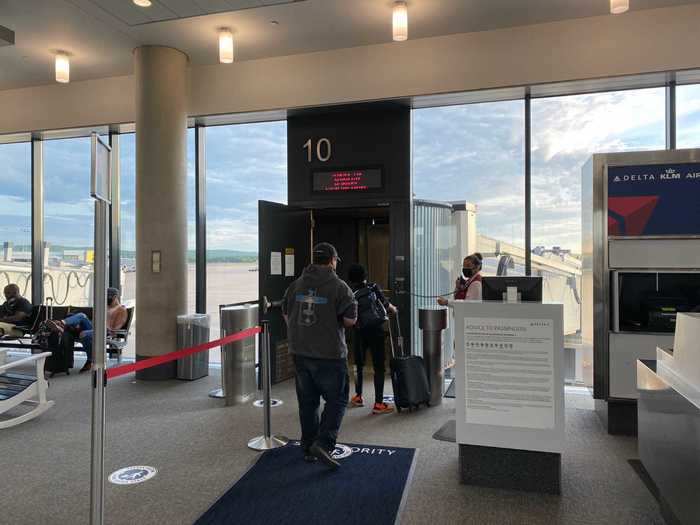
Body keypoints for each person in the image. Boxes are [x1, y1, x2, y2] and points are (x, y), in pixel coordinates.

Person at [282, 242, 357, 469]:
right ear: (332, 260)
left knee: (308, 401)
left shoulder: (295, 285)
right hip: (329, 354)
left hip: (300, 352)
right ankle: (323, 444)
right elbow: (350, 320)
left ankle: (307, 448)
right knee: (337, 399)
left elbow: (286, 314)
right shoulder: (340, 287)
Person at [346, 263, 397, 414]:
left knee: (358, 365)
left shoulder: (349, 292)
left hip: (359, 331)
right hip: (376, 330)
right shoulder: (373, 287)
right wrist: (393, 309)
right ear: (365, 276)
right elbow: (386, 305)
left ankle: (358, 396)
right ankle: (379, 403)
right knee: (379, 366)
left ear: (350, 279)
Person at [63, 287, 128, 373]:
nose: (106, 298)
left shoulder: (121, 310)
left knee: (85, 334)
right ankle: (61, 323)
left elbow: (113, 327)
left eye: (109, 296)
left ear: (115, 297)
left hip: (106, 331)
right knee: (81, 316)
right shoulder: (104, 307)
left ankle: (90, 360)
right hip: (96, 328)